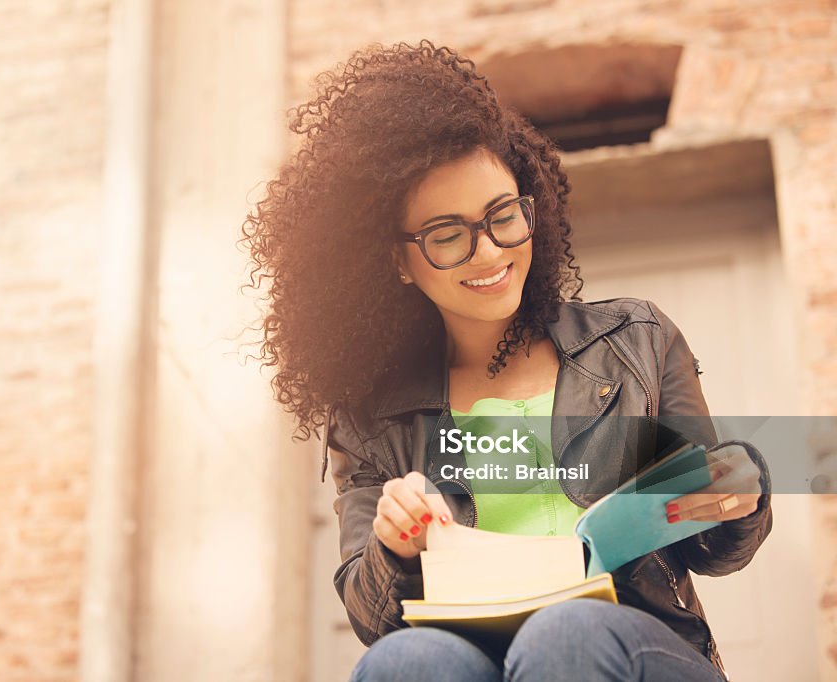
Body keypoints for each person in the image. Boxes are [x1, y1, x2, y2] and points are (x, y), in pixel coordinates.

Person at [241, 39, 772, 682]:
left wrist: (739, 496)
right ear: (396, 262)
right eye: (446, 235)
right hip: (473, 656)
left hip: (637, 649)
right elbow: (373, 619)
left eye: (502, 216)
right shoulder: (371, 416)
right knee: (403, 660)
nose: (489, 253)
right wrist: (395, 549)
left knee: (565, 636)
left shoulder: (637, 339)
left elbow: (712, 549)